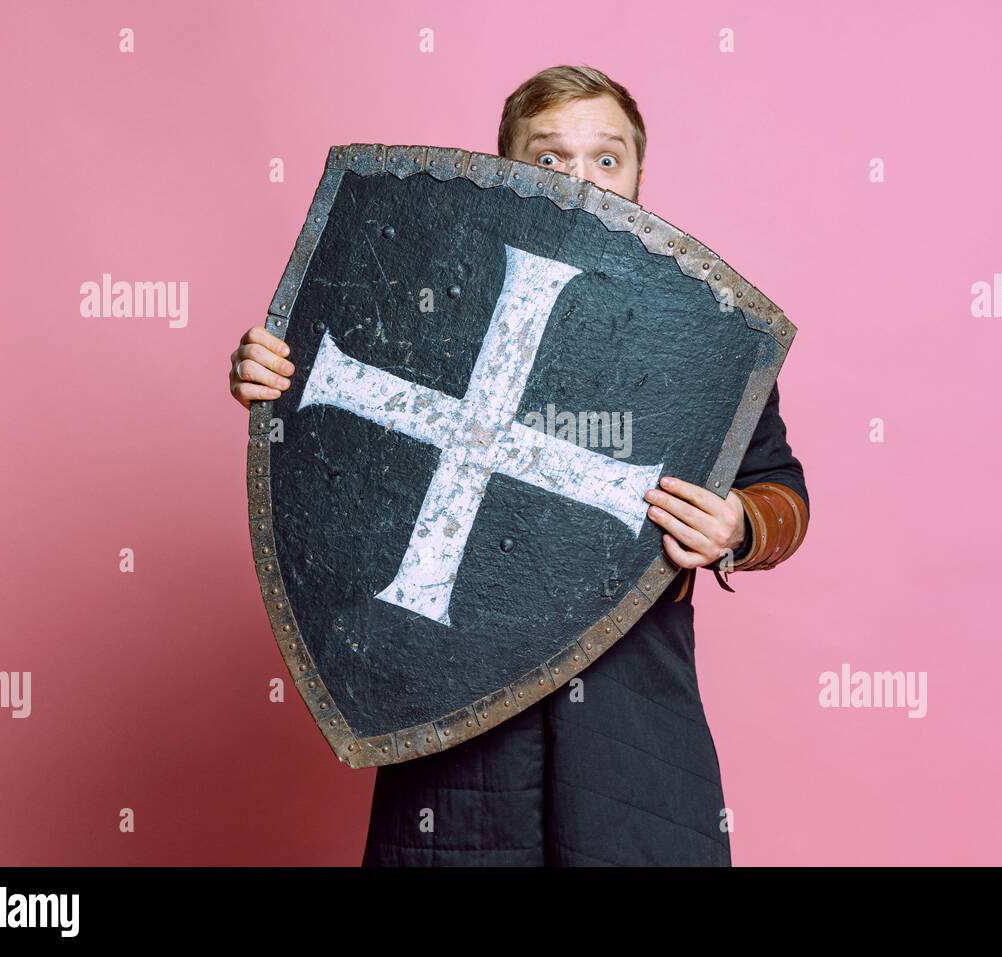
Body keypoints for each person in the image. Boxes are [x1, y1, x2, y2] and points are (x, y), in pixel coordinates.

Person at [229, 65, 810, 866]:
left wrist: (741, 521)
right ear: (506, 174)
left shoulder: (696, 341)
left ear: (640, 177)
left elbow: (781, 491)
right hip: (453, 730)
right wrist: (275, 383)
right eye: (549, 158)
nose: (580, 177)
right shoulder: (433, 295)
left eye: (606, 159)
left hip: (631, 725)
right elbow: (339, 397)